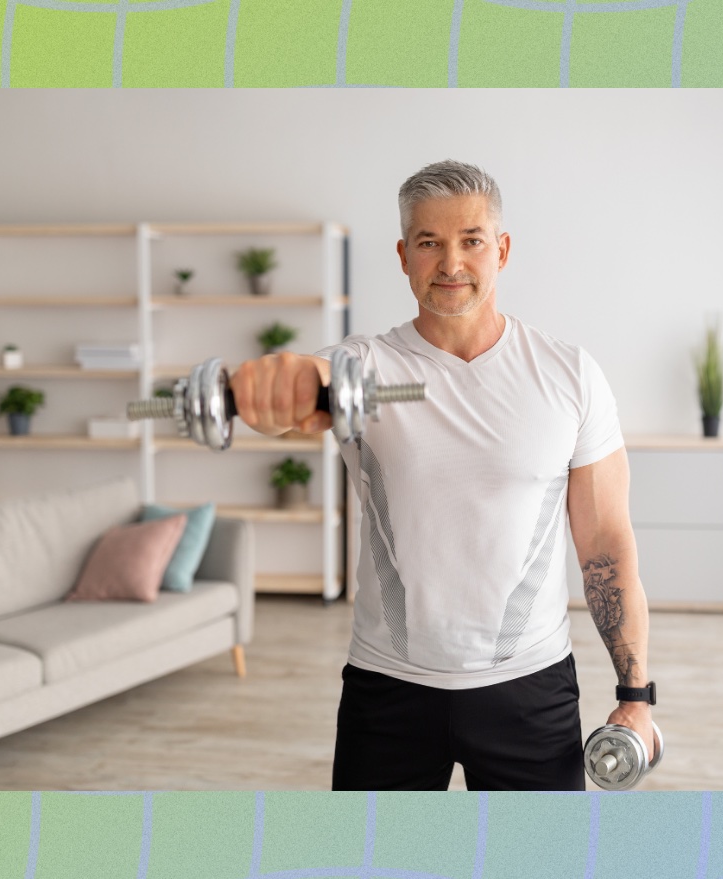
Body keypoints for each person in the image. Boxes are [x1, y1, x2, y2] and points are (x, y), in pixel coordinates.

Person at [229, 160, 654, 791]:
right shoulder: (361, 367)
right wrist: (272, 382)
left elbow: (605, 547)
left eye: (471, 241)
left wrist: (636, 696)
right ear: (403, 256)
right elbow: (303, 393)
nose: (451, 263)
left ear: (501, 250)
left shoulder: (569, 375)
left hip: (529, 688)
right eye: (429, 243)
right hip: (388, 689)